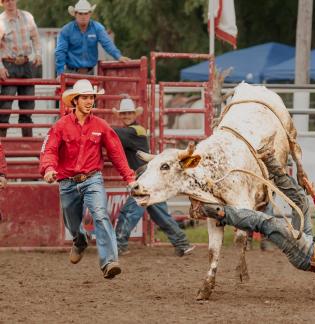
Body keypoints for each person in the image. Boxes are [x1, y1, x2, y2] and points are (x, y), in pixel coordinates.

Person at [198, 149, 315, 277]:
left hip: (309, 254)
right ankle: (270, 162)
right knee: (301, 200)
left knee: (268, 223)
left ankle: (217, 211)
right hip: (310, 243)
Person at [39, 79, 135, 279]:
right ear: (75, 100)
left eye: (91, 97)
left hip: (92, 178)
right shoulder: (60, 126)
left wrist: (129, 178)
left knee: (100, 214)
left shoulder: (101, 126)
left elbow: (117, 154)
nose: (89, 101)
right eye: (85, 97)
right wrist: (48, 168)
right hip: (67, 181)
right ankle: (79, 239)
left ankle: (109, 261)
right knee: (72, 222)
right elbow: (49, 151)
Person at [112, 96, 194, 257]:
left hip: (145, 178)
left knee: (131, 210)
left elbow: (111, 133)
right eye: (124, 113)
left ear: (134, 114)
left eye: (129, 113)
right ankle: (182, 244)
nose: (126, 116)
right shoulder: (133, 131)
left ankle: (118, 244)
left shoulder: (136, 131)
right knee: (160, 214)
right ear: (120, 116)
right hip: (149, 177)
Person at [55, 0, 130, 77]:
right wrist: (60, 73)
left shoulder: (97, 28)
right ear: (75, 14)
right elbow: (60, 52)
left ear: (90, 14)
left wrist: (118, 56)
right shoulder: (66, 30)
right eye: (80, 13)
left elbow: (107, 43)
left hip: (90, 73)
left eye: (86, 13)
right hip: (70, 72)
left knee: (91, 89)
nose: (83, 16)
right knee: (71, 89)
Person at [0, 0, 41, 137]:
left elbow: (35, 37)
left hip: (26, 63)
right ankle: (1, 146)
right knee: (5, 107)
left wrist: (38, 54)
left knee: (28, 106)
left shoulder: (27, 17)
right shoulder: (0, 21)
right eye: (6, 0)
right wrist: (0, 67)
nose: (9, 2)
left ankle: (27, 145)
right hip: (9, 64)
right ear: (2, 3)